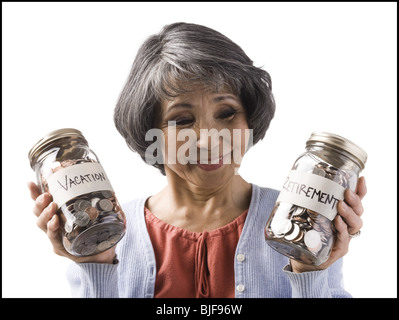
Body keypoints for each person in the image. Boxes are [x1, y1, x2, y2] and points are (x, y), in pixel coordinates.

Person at [27, 22, 367, 298]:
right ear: (152, 132)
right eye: (182, 120)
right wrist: (96, 265)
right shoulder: (106, 232)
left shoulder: (303, 221)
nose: (208, 138)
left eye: (226, 113)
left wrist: (310, 274)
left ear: (249, 121)